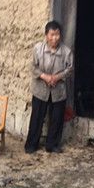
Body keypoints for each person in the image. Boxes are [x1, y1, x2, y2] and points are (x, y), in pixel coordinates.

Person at [24, 20, 73, 154]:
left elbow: (70, 69)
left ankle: (52, 145)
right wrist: (44, 76)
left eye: (57, 35)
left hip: (58, 90)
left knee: (57, 118)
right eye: (52, 35)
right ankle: (31, 144)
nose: (55, 38)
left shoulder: (66, 51)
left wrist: (57, 77)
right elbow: (33, 66)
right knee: (37, 117)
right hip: (41, 89)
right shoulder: (38, 49)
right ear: (46, 35)